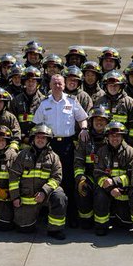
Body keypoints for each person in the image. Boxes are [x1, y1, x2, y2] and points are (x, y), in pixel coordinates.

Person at [33, 74, 88, 224]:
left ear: (64, 85)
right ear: (50, 85)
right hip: (50, 146)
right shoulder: (44, 103)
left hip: (67, 145)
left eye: (60, 84)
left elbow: (82, 118)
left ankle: (70, 214)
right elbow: (36, 123)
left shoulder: (71, 100)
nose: (57, 86)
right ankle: (46, 212)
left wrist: (83, 129)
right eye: (55, 83)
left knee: (68, 179)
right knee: (48, 177)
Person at [8, 124, 67, 239]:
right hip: (27, 197)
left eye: (43, 137)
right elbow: (13, 177)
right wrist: (15, 197)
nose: (40, 140)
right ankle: (33, 218)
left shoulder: (54, 157)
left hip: (46, 195)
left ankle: (55, 229)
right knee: (24, 229)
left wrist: (44, 192)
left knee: (60, 196)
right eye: (38, 137)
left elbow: (57, 177)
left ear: (48, 140)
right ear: (33, 139)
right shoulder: (22, 155)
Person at [91, 120, 133, 235]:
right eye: (112, 135)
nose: (114, 138)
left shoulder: (131, 152)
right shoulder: (101, 152)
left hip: (125, 190)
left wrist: (115, 182)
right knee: (100, 195)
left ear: (122, 137)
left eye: (117, 136)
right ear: (107, 137)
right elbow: (98, 174)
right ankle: (101, 225)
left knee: (124, 224)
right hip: (107, 189)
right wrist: (110, 189)